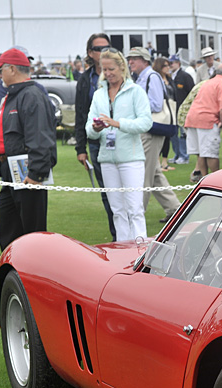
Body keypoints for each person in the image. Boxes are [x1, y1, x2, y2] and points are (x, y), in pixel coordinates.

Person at [0, 47, 57, 251]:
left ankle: (33, 270)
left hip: (27, 171)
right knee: (8, 221)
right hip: (9, 169)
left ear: (12, 69)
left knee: (31, 227)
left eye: (1, 69)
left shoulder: (31, 95)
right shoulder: (14, 95)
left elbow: (40, 137)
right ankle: (10, 267)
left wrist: (36, 173)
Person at [86, 47, 152, 242]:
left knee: (135, 209)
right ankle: (122, 248)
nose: (107, 74)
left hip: (131, 158)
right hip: (107, 158)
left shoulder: (136, 92)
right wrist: (96, 128)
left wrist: (118, 123)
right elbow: (88, 128)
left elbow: (146, 122)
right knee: (117, 209)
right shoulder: (99, 95)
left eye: (111, 69)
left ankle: (141, 250)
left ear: (122, 67)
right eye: (104, 70)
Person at [126, 46, 180, 223]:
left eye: (134, 58)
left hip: (152, 130)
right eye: (130, 58)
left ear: (145, 60)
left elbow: (156, 105)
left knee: (144, 174)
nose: (130, 62)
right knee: (154, 173)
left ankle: (136, 214)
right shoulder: (143, 77)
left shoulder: (151, 76)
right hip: (148, 129)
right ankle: (175, 210)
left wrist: (135, 106)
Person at [75, 33, 117, 239]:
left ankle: (131, 236)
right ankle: (116, 236)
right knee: (107, 192)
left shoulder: (121, 76)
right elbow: (80, 114)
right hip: (96, 142)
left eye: (106, 47)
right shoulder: (85, 80)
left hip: (123, 141)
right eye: (98, 49)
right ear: (90, 53)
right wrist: (80, 149)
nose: (103, 52)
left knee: (129, 192)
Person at [185, 64, 222, 179]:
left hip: (192, 118)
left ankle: (204, 180)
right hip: (207, 120)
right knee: (211, 154)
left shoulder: (208, 82)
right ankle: (216, 181)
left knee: (201, 153)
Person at [167, 54, 194, 164]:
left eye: (172, 63)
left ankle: (184, 156)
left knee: (183, 134)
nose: (170, 66)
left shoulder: (185, 76)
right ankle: (177, 154)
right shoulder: (169, 77)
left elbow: (192, 93)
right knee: (173, 134)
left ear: (178, 63)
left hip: (182, 110)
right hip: (172, 111)